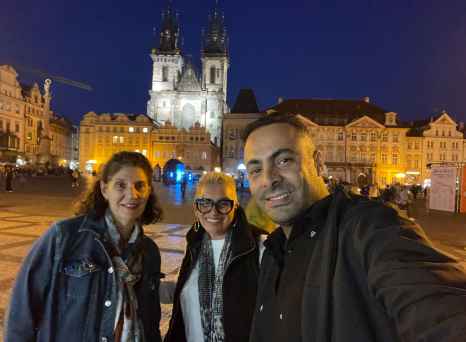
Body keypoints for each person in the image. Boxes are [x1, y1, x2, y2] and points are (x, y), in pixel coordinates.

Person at [242, 112, 466, 342]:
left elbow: (437, 308)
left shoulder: (367, 227)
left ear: (318, 164)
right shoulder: (272, 252)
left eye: (284, 160)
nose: (268, 179)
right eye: (256, 169)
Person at [5, 151, 164, 342]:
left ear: (149, 191)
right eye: (120, 185)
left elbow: (150, 322)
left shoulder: (149, 252)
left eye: (140, 186)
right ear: (105, 190)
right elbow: (22, 311)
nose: (132, 194)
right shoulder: (64, 237)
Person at [164, 172, 266, 342]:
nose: (213, 212)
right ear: (196, 207)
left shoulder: (259, 246)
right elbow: (186, 293)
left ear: (235, 205)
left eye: (223, 203)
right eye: (205, 203)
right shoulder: (194, 244)